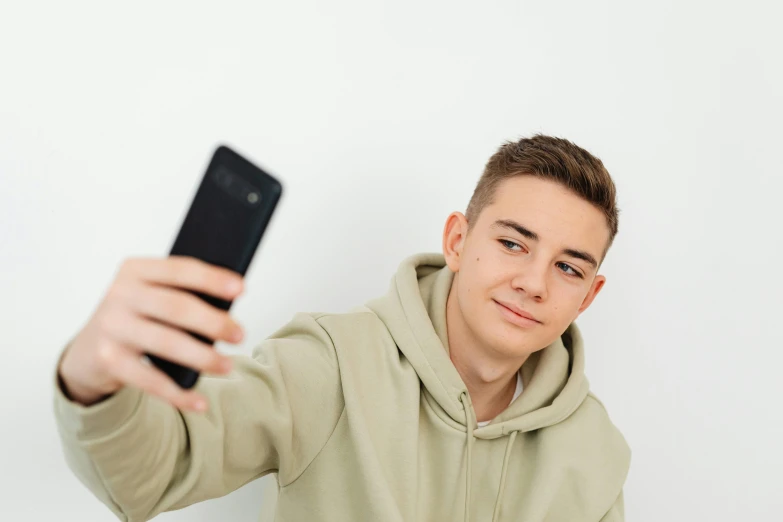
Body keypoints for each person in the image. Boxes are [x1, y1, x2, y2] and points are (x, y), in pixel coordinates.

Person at [53, 134, 630, 522]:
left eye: (568, 267)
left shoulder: (595, 451)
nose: (535, 282)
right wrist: (93, 385)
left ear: (589, 295)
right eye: (512, 243)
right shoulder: (330, 365)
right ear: (458, 241)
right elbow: (154, 469)